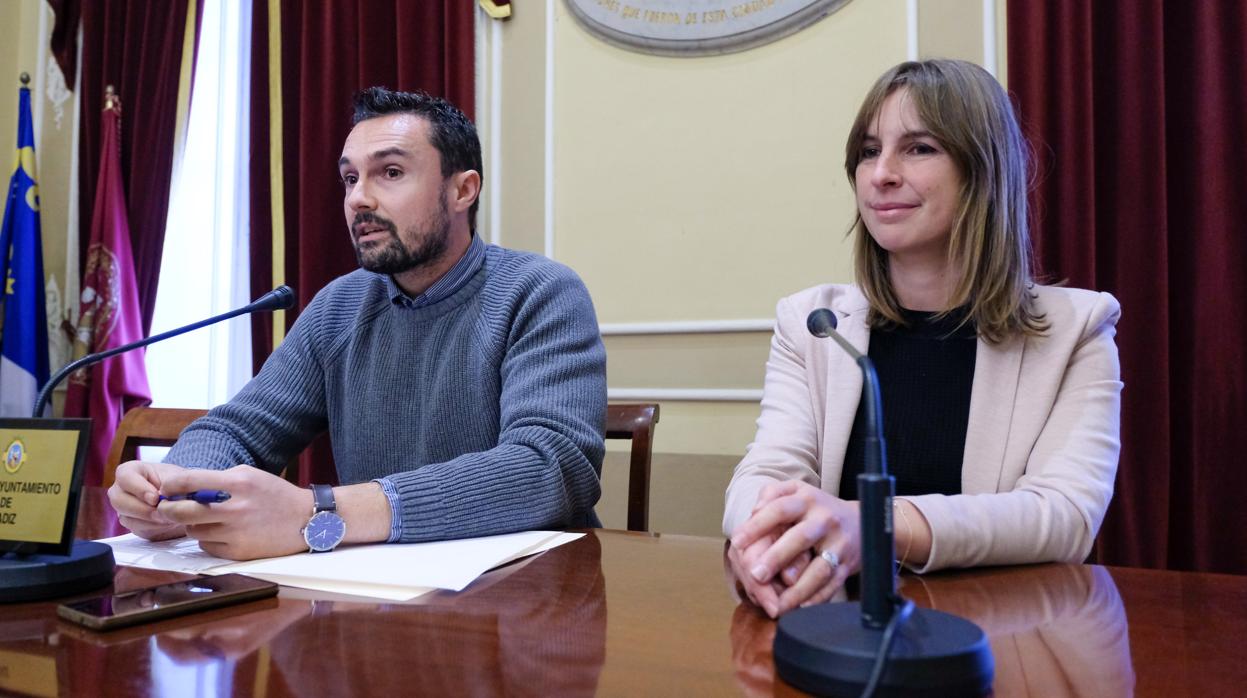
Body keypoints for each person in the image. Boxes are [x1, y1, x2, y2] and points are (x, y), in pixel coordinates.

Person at [108, 87, 607, 560]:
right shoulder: (339, 307)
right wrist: (174, 488)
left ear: (463, 190)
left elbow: (551, 468)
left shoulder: (540, 291)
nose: (358, 200)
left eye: (389, 172)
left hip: (524, 601)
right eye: (350, 179)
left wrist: (320, 511)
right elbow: (238, 430)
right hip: (377, 595)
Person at [723, 60, 1122, 618]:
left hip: (1002, 637)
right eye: (867, 151)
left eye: (918, 148)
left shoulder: (1076, 328)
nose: (881, 173)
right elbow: (765, 475)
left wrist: (877, 525)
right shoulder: (813, 322)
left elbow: (1063, 517)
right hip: (833, 627)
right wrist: (763, 539)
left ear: (983, 171)